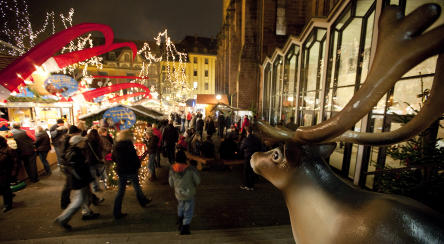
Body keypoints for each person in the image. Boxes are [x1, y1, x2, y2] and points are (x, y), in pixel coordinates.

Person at [54, 135, 99, 230]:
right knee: (78, 201)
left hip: (80, 180)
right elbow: (77, 170)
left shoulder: (75, 151)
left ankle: (87, 213)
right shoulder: (75, 154)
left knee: (86, 197)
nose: (84, 143)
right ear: (78, 143)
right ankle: (63, 219)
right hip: (79, 181)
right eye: (82, 142)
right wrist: (84, 179)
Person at [112, 130, 151, 219]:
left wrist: (119, 163)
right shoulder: (129, 145)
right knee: (137, 187)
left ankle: (116, 212)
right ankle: (143, 201)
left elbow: (113, 157)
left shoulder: (116, 146)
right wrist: (137, 165)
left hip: (121, 171)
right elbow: (134, 159)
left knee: (120, 191)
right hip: (131, 170)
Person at [169, 150, 200, 235]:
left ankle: (180, 220)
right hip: (189, 193)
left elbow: (171, 183)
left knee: (180, 205)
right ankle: (185, 226)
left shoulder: (172, 168)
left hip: (178, 193)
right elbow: (197, 181)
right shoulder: (191, 169)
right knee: (188, 209)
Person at [239, 127, 262, 191]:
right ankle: (251, 185)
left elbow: (241, 148)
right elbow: (260, 147)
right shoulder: (257, 139)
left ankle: (247, 185)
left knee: (246, 171)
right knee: (252, 171)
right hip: (255, 157)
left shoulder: (246, 139)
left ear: (247, 132)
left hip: (248, 156)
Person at [0, 136, 15, 212]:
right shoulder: (6, 149)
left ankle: (8, 204)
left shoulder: (6, 150)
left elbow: (4, 161)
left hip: (5, 172)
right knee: (4, 188)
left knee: (5, 188)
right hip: (4, 172)